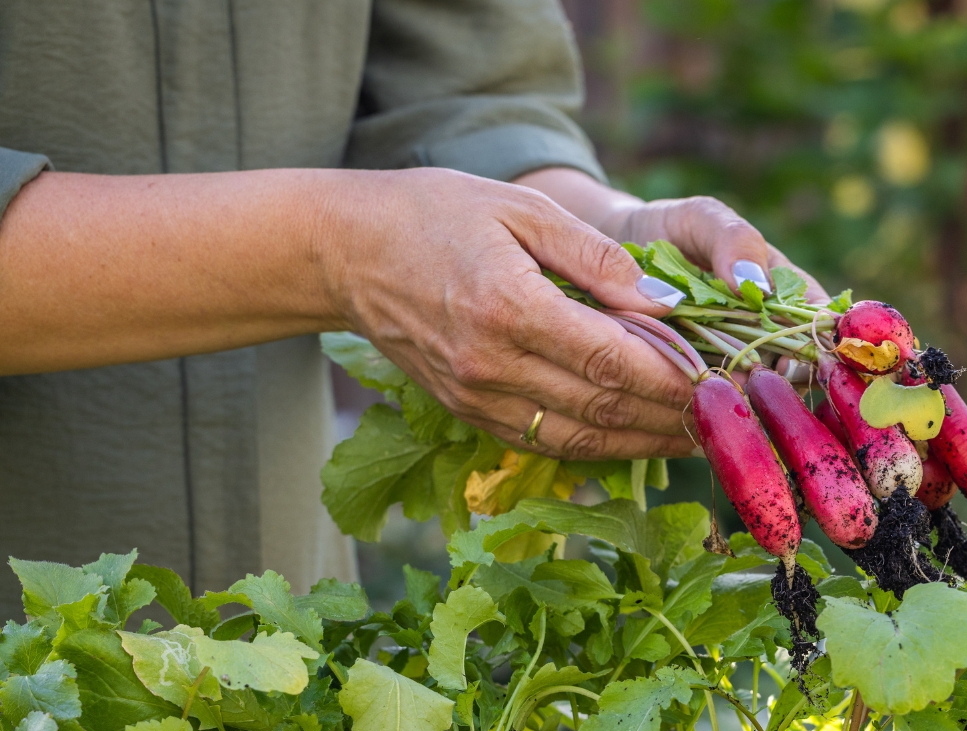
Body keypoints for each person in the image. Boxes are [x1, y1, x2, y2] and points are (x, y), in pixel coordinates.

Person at [0, 0, 816, 620]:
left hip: (283, 649)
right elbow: (371, 233)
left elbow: (462, 94)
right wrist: (338, 249)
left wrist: (606, 242)